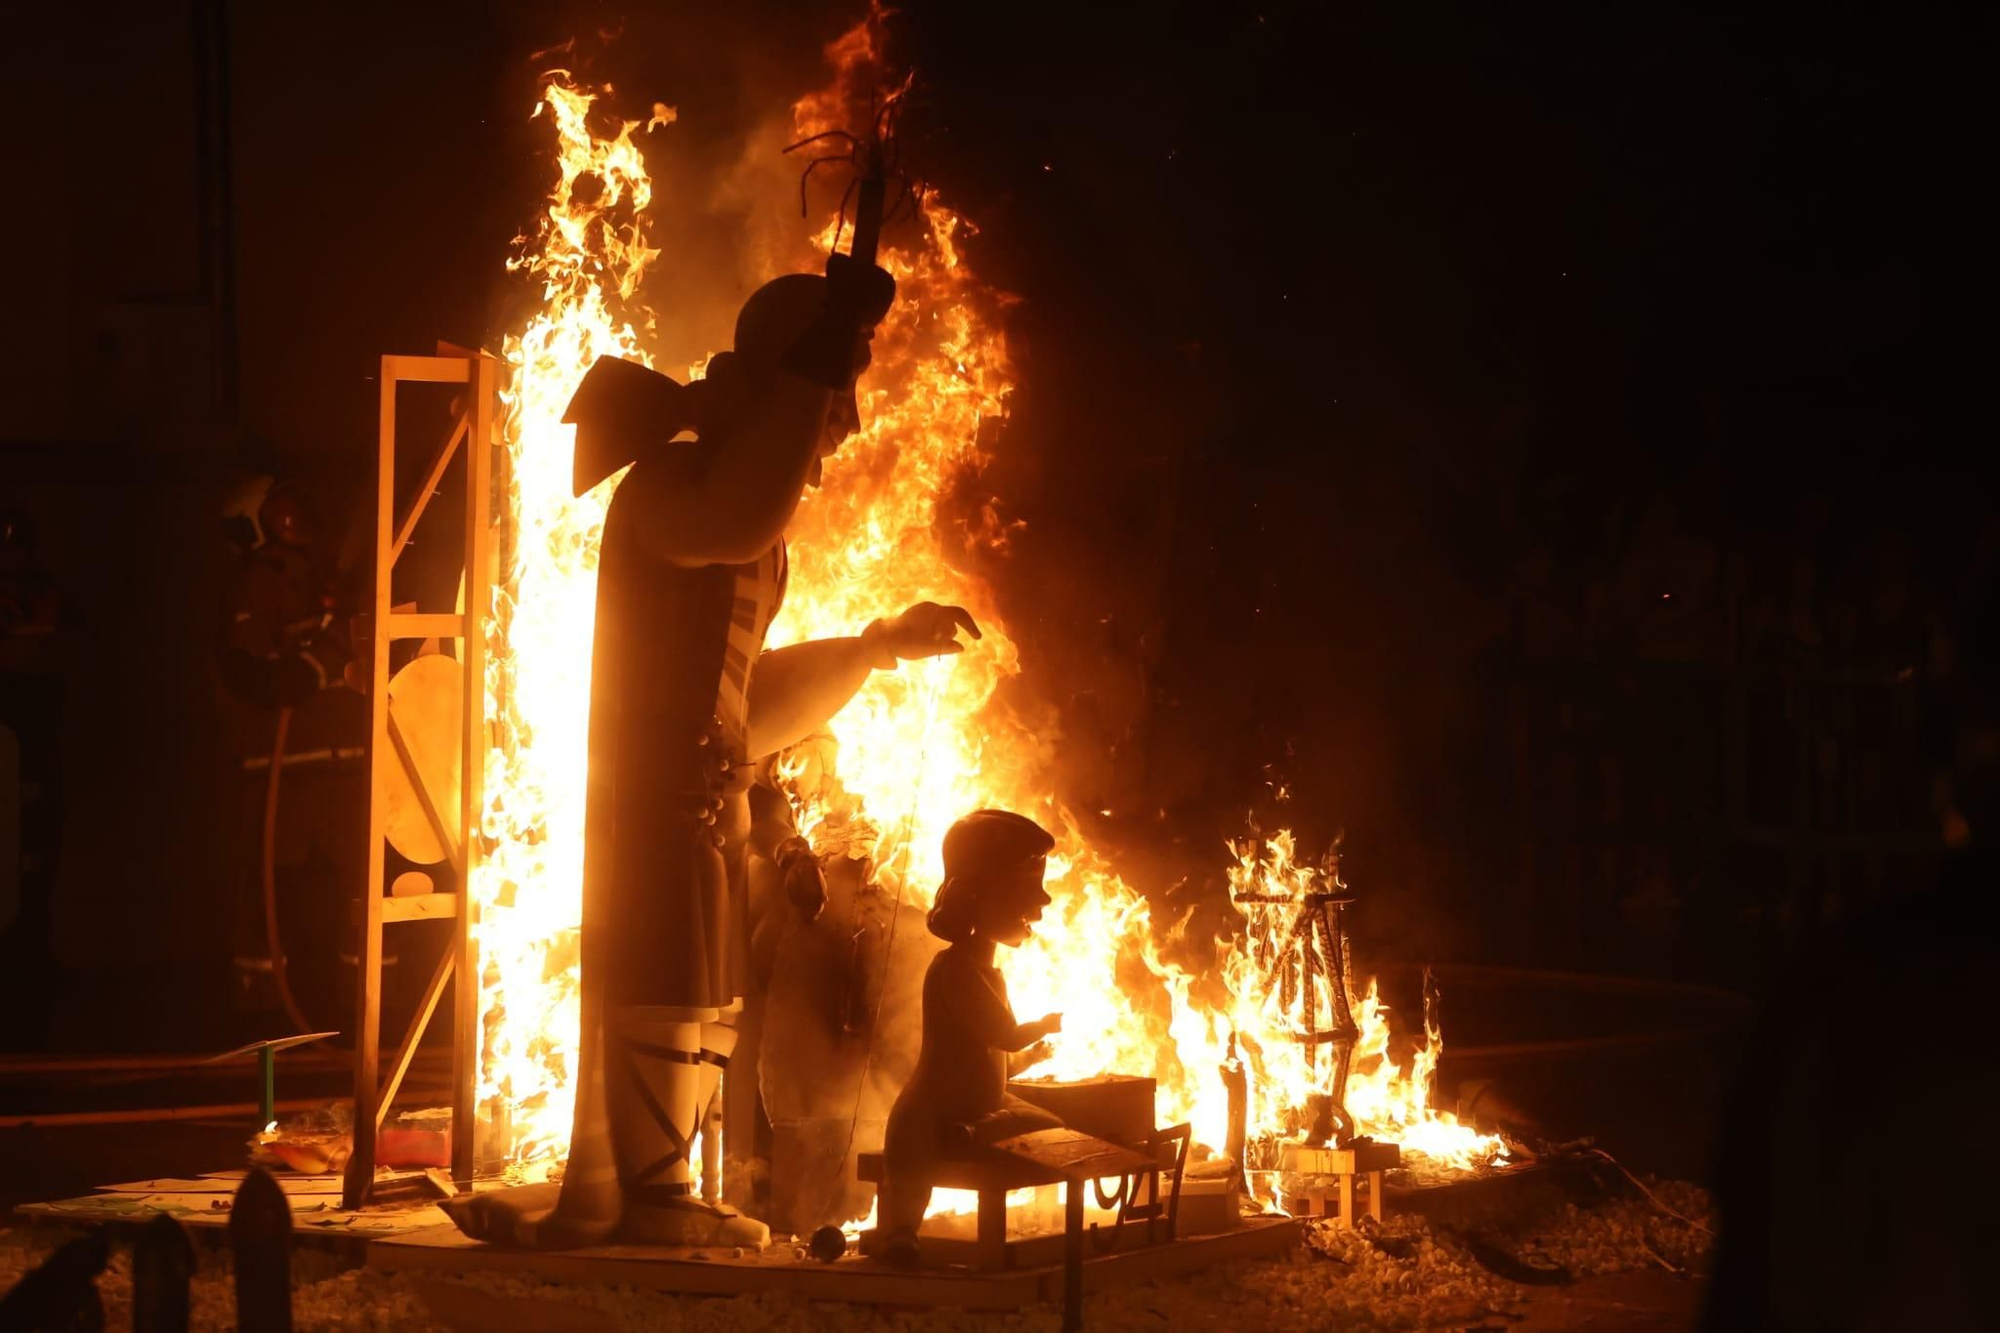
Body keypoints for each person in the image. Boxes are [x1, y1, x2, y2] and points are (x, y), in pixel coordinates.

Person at [446, 253, 981, 1251]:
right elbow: (743, 511)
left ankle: (663, 1182)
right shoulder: (673, 490)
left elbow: (745, 700)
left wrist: (869, 649)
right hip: (653, 798)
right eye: (835, 395)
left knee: (697, 983)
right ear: (775, 386)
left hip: (702, 792)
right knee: (663, 973)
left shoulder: (746, 529)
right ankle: (651, 1191)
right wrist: (823, 357)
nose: (846, 425)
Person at [877, 809, 1066, 1264]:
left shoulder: (987, 971)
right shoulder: (955, 970)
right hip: (932, 1111)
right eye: (1027, 887)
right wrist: (1040, 1028)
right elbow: (1002, 1033)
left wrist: (1030, 1058)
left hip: (986, 1100)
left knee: (1054, 1128)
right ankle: (905, 1232)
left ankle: (977, 1130)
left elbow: (986, 1051)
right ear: (981, 896)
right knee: (914, 1171)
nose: (1042, 902)